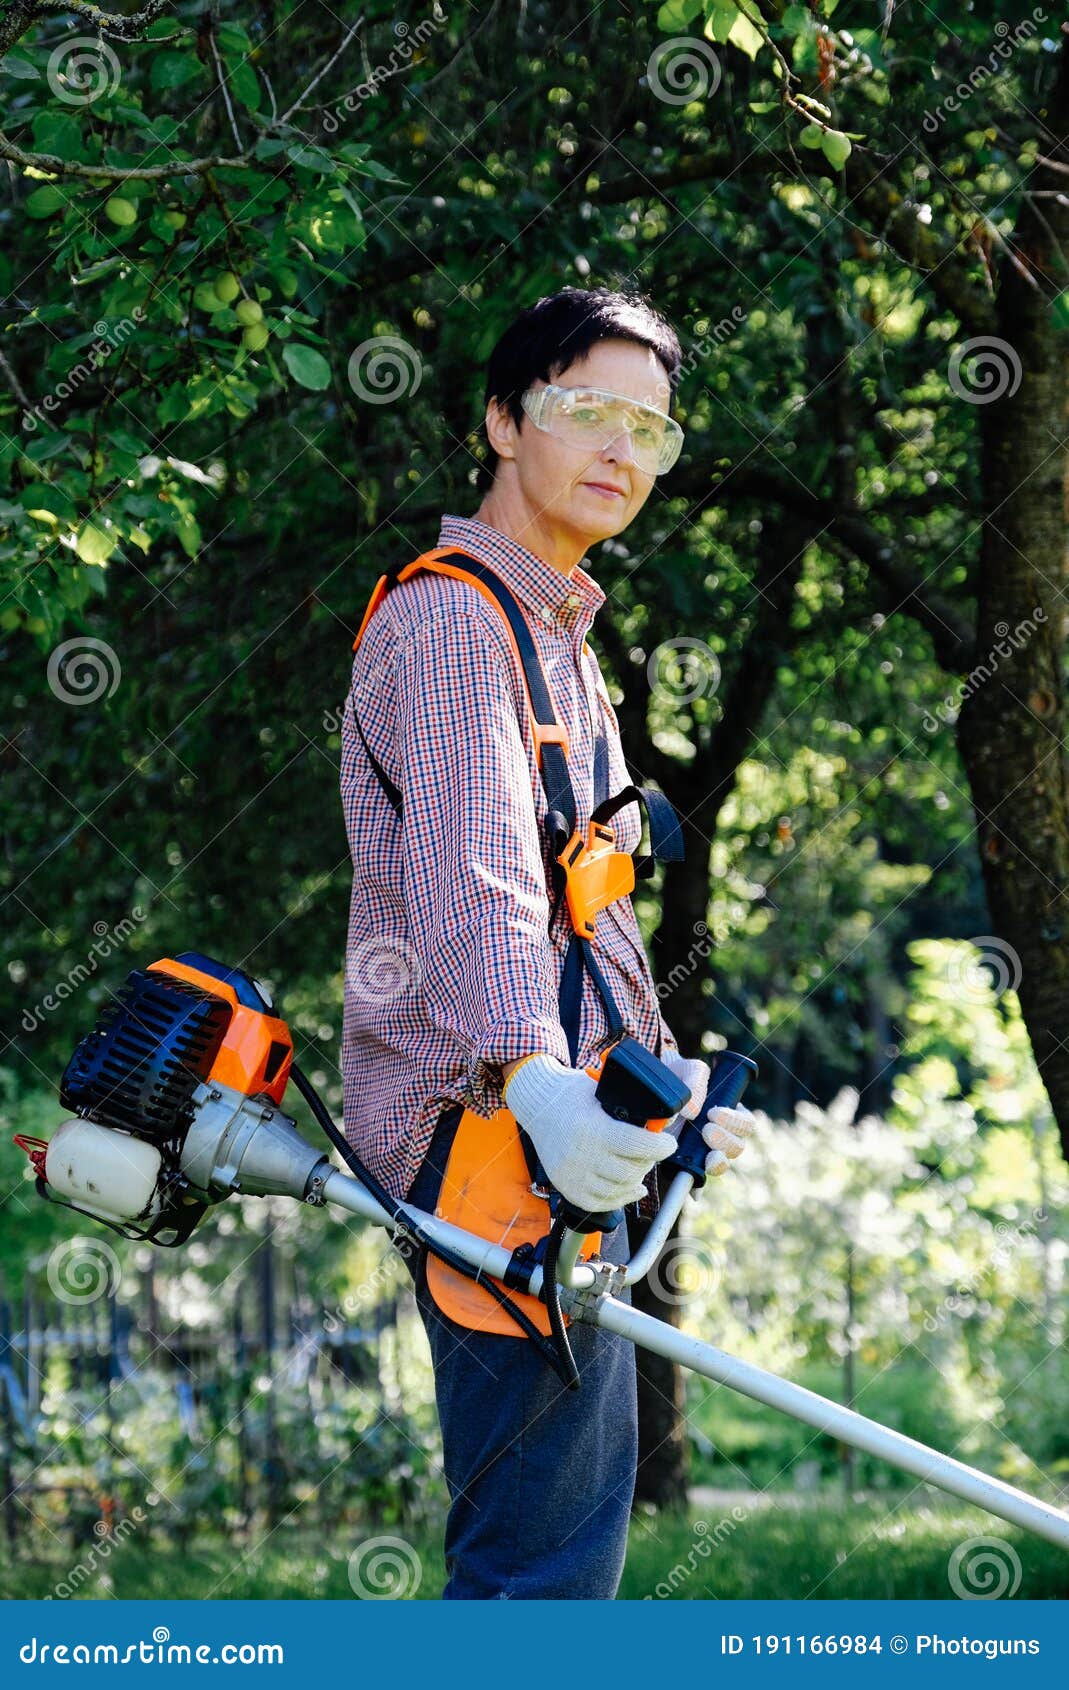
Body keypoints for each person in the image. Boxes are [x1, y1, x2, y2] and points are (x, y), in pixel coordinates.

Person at [339, 286, 755, 1598]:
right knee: (541, 1570)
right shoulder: (459, 621)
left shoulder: (556, 636)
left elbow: (585, 898)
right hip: (493, 1143)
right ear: (502, 418)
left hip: (556, 1134)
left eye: (652, 427)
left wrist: (659, 1074)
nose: (623, 448)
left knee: (563, 1551)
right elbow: (476, 881)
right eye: (588, 411)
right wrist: (532, 1075)